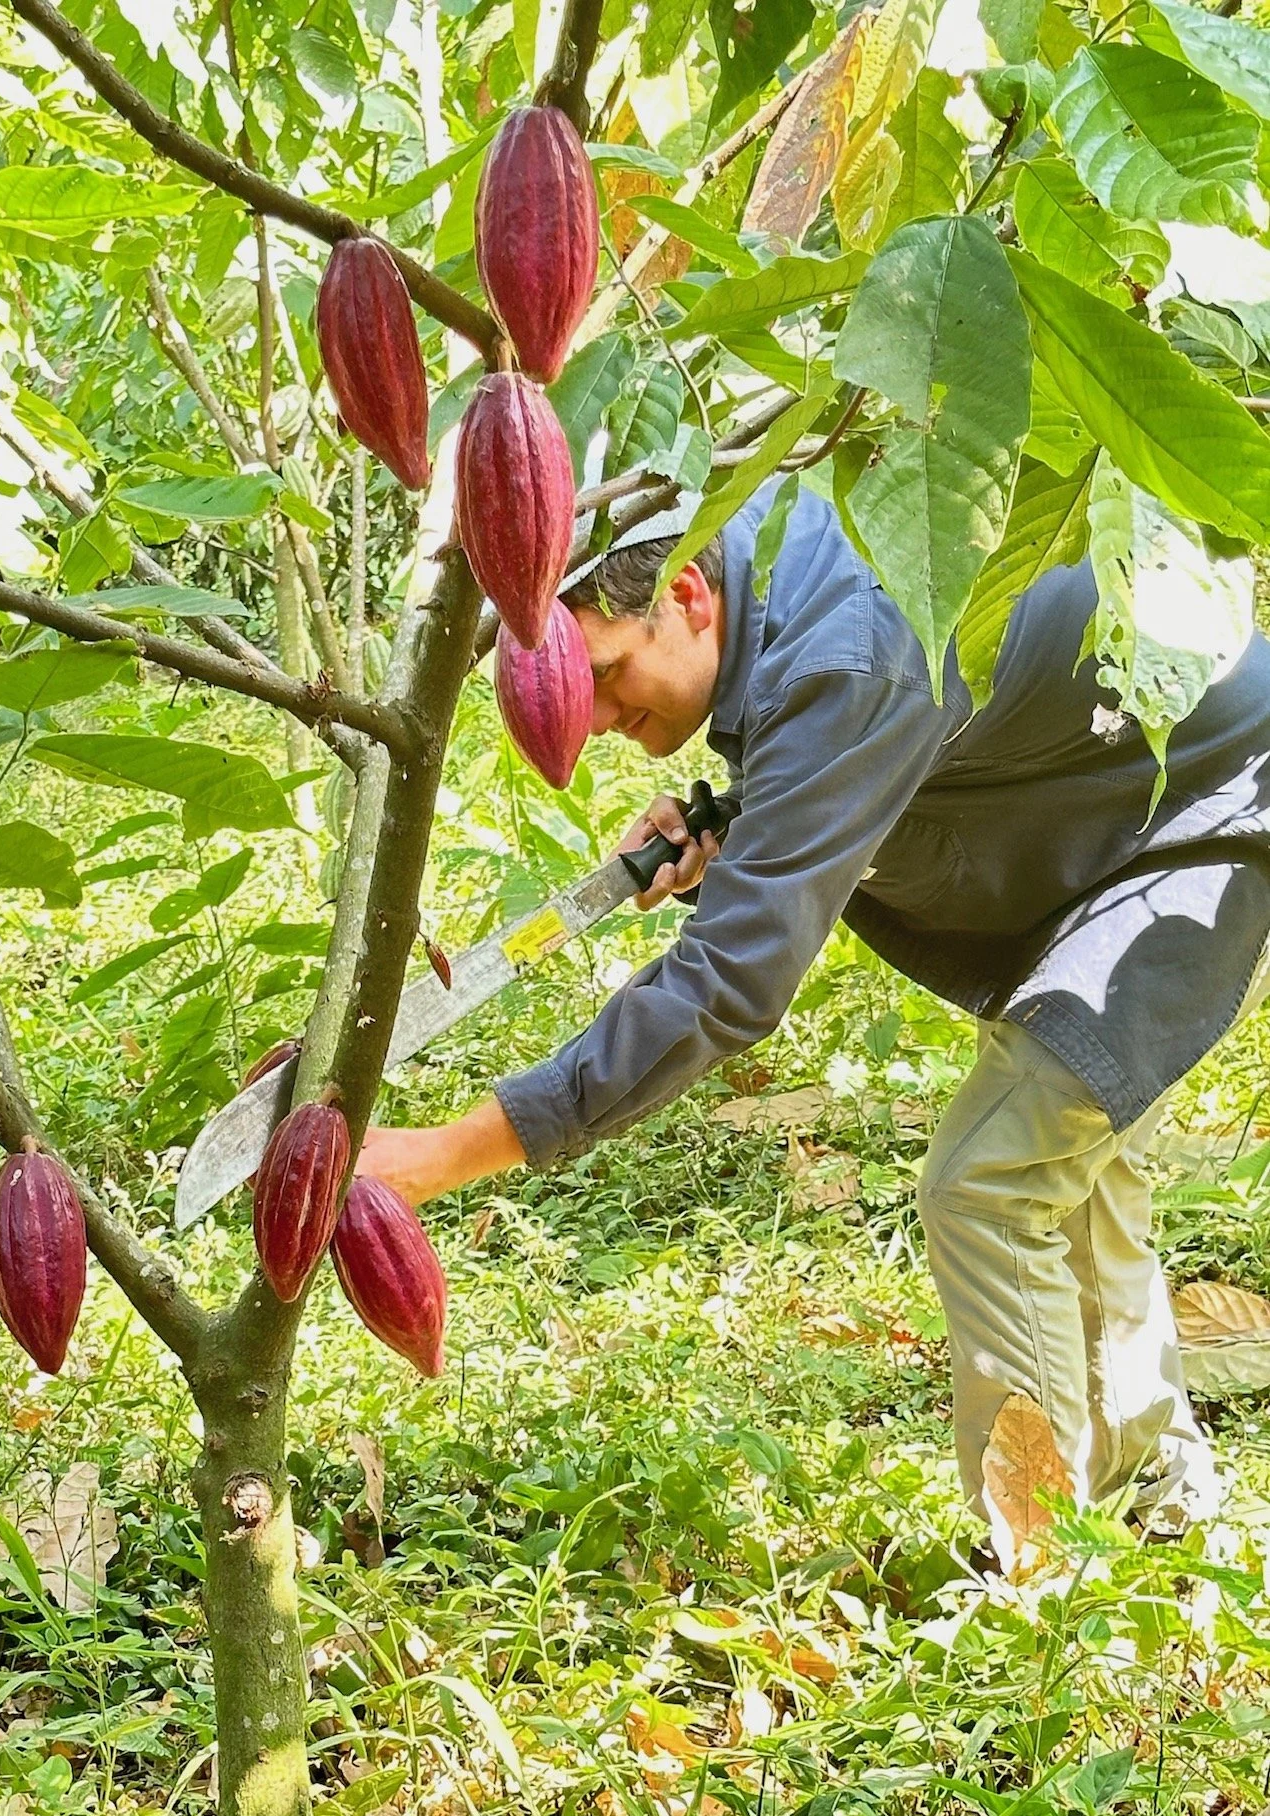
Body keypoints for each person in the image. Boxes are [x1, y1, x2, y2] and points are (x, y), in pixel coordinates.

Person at [359, 478, 1270, 1530]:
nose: (599, 720)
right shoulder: (770, 548)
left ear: (690, 595)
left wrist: (451, 1150)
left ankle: (1044, 1568)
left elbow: (731, 984)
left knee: (989, 1181)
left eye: (606, 677)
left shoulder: (844, 649)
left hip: (1201, 817)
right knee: (1068, 1156)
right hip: (1103, 797)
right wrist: (752, 828)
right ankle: (1160, 1484)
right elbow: (880, 732)